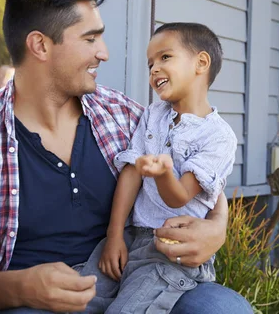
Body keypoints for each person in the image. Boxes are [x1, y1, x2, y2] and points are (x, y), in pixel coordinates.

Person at [0, 0, 252, 313]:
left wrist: (217, 228)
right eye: (90, 39)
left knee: (222, 309)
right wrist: (21, 287)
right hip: (36, 303)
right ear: (40, 45)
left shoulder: (123, 115)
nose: (103, 52)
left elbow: (201, 178)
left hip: (136, 275)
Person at [85, 22, 238, 313]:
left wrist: (164, 172)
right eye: (150, 63)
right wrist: (115, 234)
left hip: (171, 252)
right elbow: (131, 172)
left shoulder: (218, 136)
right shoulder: (154, 115)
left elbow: (179, 197)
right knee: (79, 298)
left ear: (201, 63)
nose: (154, 69)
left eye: (165, 57)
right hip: (132, 238)